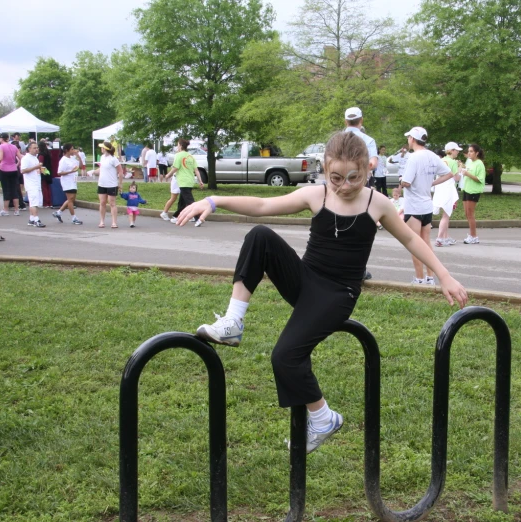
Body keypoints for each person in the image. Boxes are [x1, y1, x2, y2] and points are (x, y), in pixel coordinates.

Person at [175, 131, 468, 454]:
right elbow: (261, 205)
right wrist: (214, 201)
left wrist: (444, 276)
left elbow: (412, 240)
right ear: (325, 170)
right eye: (336, 177)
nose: (344, 186)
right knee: (260, 236)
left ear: (367, 170)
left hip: (337, 294)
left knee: (285, 356)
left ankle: (323, 417)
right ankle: (233, 322)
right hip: (305, 279)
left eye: (353, 177)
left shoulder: (377, 203)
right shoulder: (317, 195)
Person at [399, 127, 451, 284]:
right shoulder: (433, 156)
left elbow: (407, 182)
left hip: (413, 206)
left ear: (413, 139)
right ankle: (430, 277)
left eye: (409, 137)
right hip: (427, 205)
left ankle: (419, 278)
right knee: (426, 242)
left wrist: (400, 180)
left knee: (414, 243)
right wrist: (431, 183)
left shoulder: (413, 158)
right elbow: (448, 173)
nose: (408, 140)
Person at [343, 107, 377, 280]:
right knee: (360, 226)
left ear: (345, 121)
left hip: (338, 188)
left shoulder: (337, 139)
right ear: (361, 120)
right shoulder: (368, 140)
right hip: (360, 188)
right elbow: (373, 163)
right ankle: (358, 268)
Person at [431, 142, 463, 247]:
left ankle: (445, 237)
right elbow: (457, 178)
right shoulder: (453, 162)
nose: (457, 152)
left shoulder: (440, 160)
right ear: (451, 150)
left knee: (445, 215)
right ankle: (440, 238)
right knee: (446, 215)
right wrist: (460, 169)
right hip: (448, 189)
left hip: (439, 188)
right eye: (456, 150)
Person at [167, 138, 204, 225]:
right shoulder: (190, 156)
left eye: (177, 145)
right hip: (190, 181)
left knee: (190, 202)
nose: (177, 146)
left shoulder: (178, 155)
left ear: (180, 146)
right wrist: (200, 181)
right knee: (182, 202)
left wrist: (168, 175)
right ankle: (177, 217)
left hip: (183, 181)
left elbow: (175, 167)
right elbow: (196, 170)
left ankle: (199, 218)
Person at [52, 143, 83, 225]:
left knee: (72, 199)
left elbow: (80, 166)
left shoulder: (72, 158)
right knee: (70, 199)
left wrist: (78, 156)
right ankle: (74, 217)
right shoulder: (63, 160)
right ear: (67, 150)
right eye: (72, 149)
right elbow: (59, 172)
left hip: (73, 180)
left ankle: (58, 212)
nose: (73, 150)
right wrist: (70, 171)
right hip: (67, 181)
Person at [461, 144, 485, 244]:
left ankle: (474, 236)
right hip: (467, 189)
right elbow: (468, 170)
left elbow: (480, 179)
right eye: (469, 151)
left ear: (477, 153)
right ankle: (471, 235)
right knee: (466, 213)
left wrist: (468, 174)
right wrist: (463, 167)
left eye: (471, 151)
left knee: (470, 214)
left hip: (474, 191)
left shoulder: (479, 164)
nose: (469, 153)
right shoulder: (471, 162)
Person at [97, 141, 123, 228]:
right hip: (102, 183)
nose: (101, 148)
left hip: (111, 184)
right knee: (102, 202)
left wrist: (120, 183)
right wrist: (93, 172)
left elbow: (120, 171)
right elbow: (101, 169)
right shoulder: (102, 157)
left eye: (102, 147)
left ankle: (114, 222)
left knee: (112, 203)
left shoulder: (113, 159)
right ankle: (102, 221)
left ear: (106, 149)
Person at [20, 142, 46, 228]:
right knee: (34, 202)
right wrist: (36, 167)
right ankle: (36, 219)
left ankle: (31, 219)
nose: (36, 149)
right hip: (31, 184)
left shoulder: (35, 158)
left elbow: (35, 168)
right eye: (34, 148)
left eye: (37, 148)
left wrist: (41, 169)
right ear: (29, 149)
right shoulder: (26, 158)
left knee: (35, 202)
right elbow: (23, 170)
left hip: (36, 182)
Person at [0, 133, 22, 216]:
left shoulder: (1, 147)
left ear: (1, 139)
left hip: (4, 169)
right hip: (14, 169)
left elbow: (0, 158)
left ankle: (6, 209)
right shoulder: (14, 146)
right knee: (14, 189)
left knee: (6, 189)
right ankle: (17, 209)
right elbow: (20, 157)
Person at [37, 141, 53, 209]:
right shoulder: (48, 153)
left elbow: (41, 164)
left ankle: (46, 202)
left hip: (43, 171)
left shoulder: (41, 155)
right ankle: (50, 202)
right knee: (48, 187)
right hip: (48, 171)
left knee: (44, 187)